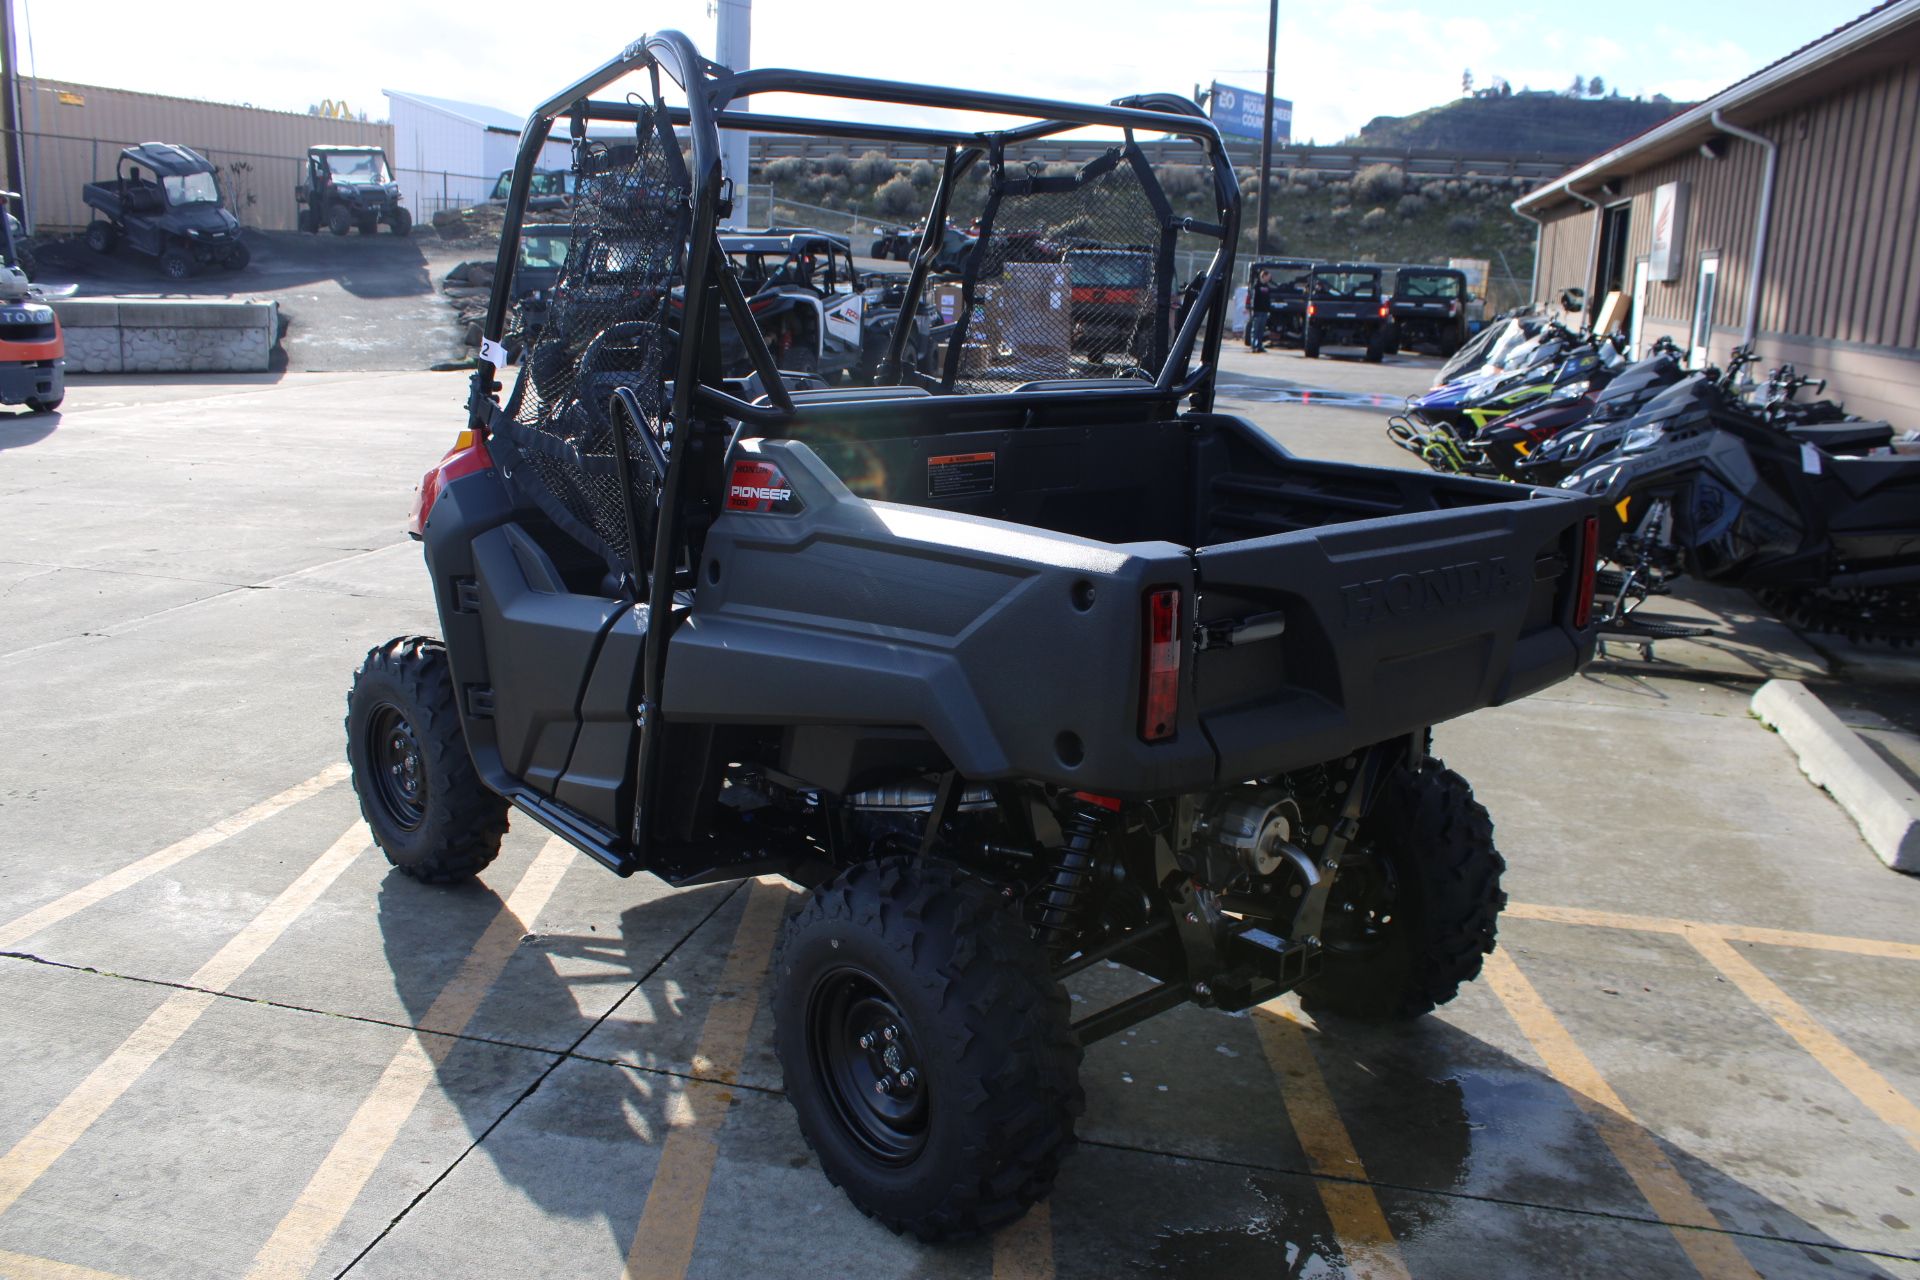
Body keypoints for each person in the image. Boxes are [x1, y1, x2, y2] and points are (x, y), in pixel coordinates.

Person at [1248, 268, 1273, 351]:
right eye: (1268, 276)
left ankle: (1259, 346)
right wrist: (1252, 310)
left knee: (1261, 330)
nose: (1269, 278)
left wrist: (1268, 309)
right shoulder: (1256, 286)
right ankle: (1253, 346)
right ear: (1264, 276)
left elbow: (1268, 299)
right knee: (1255, 329)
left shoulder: (1267, 286)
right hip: (1257, 311)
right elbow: (1253, 299)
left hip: (1264, 311)